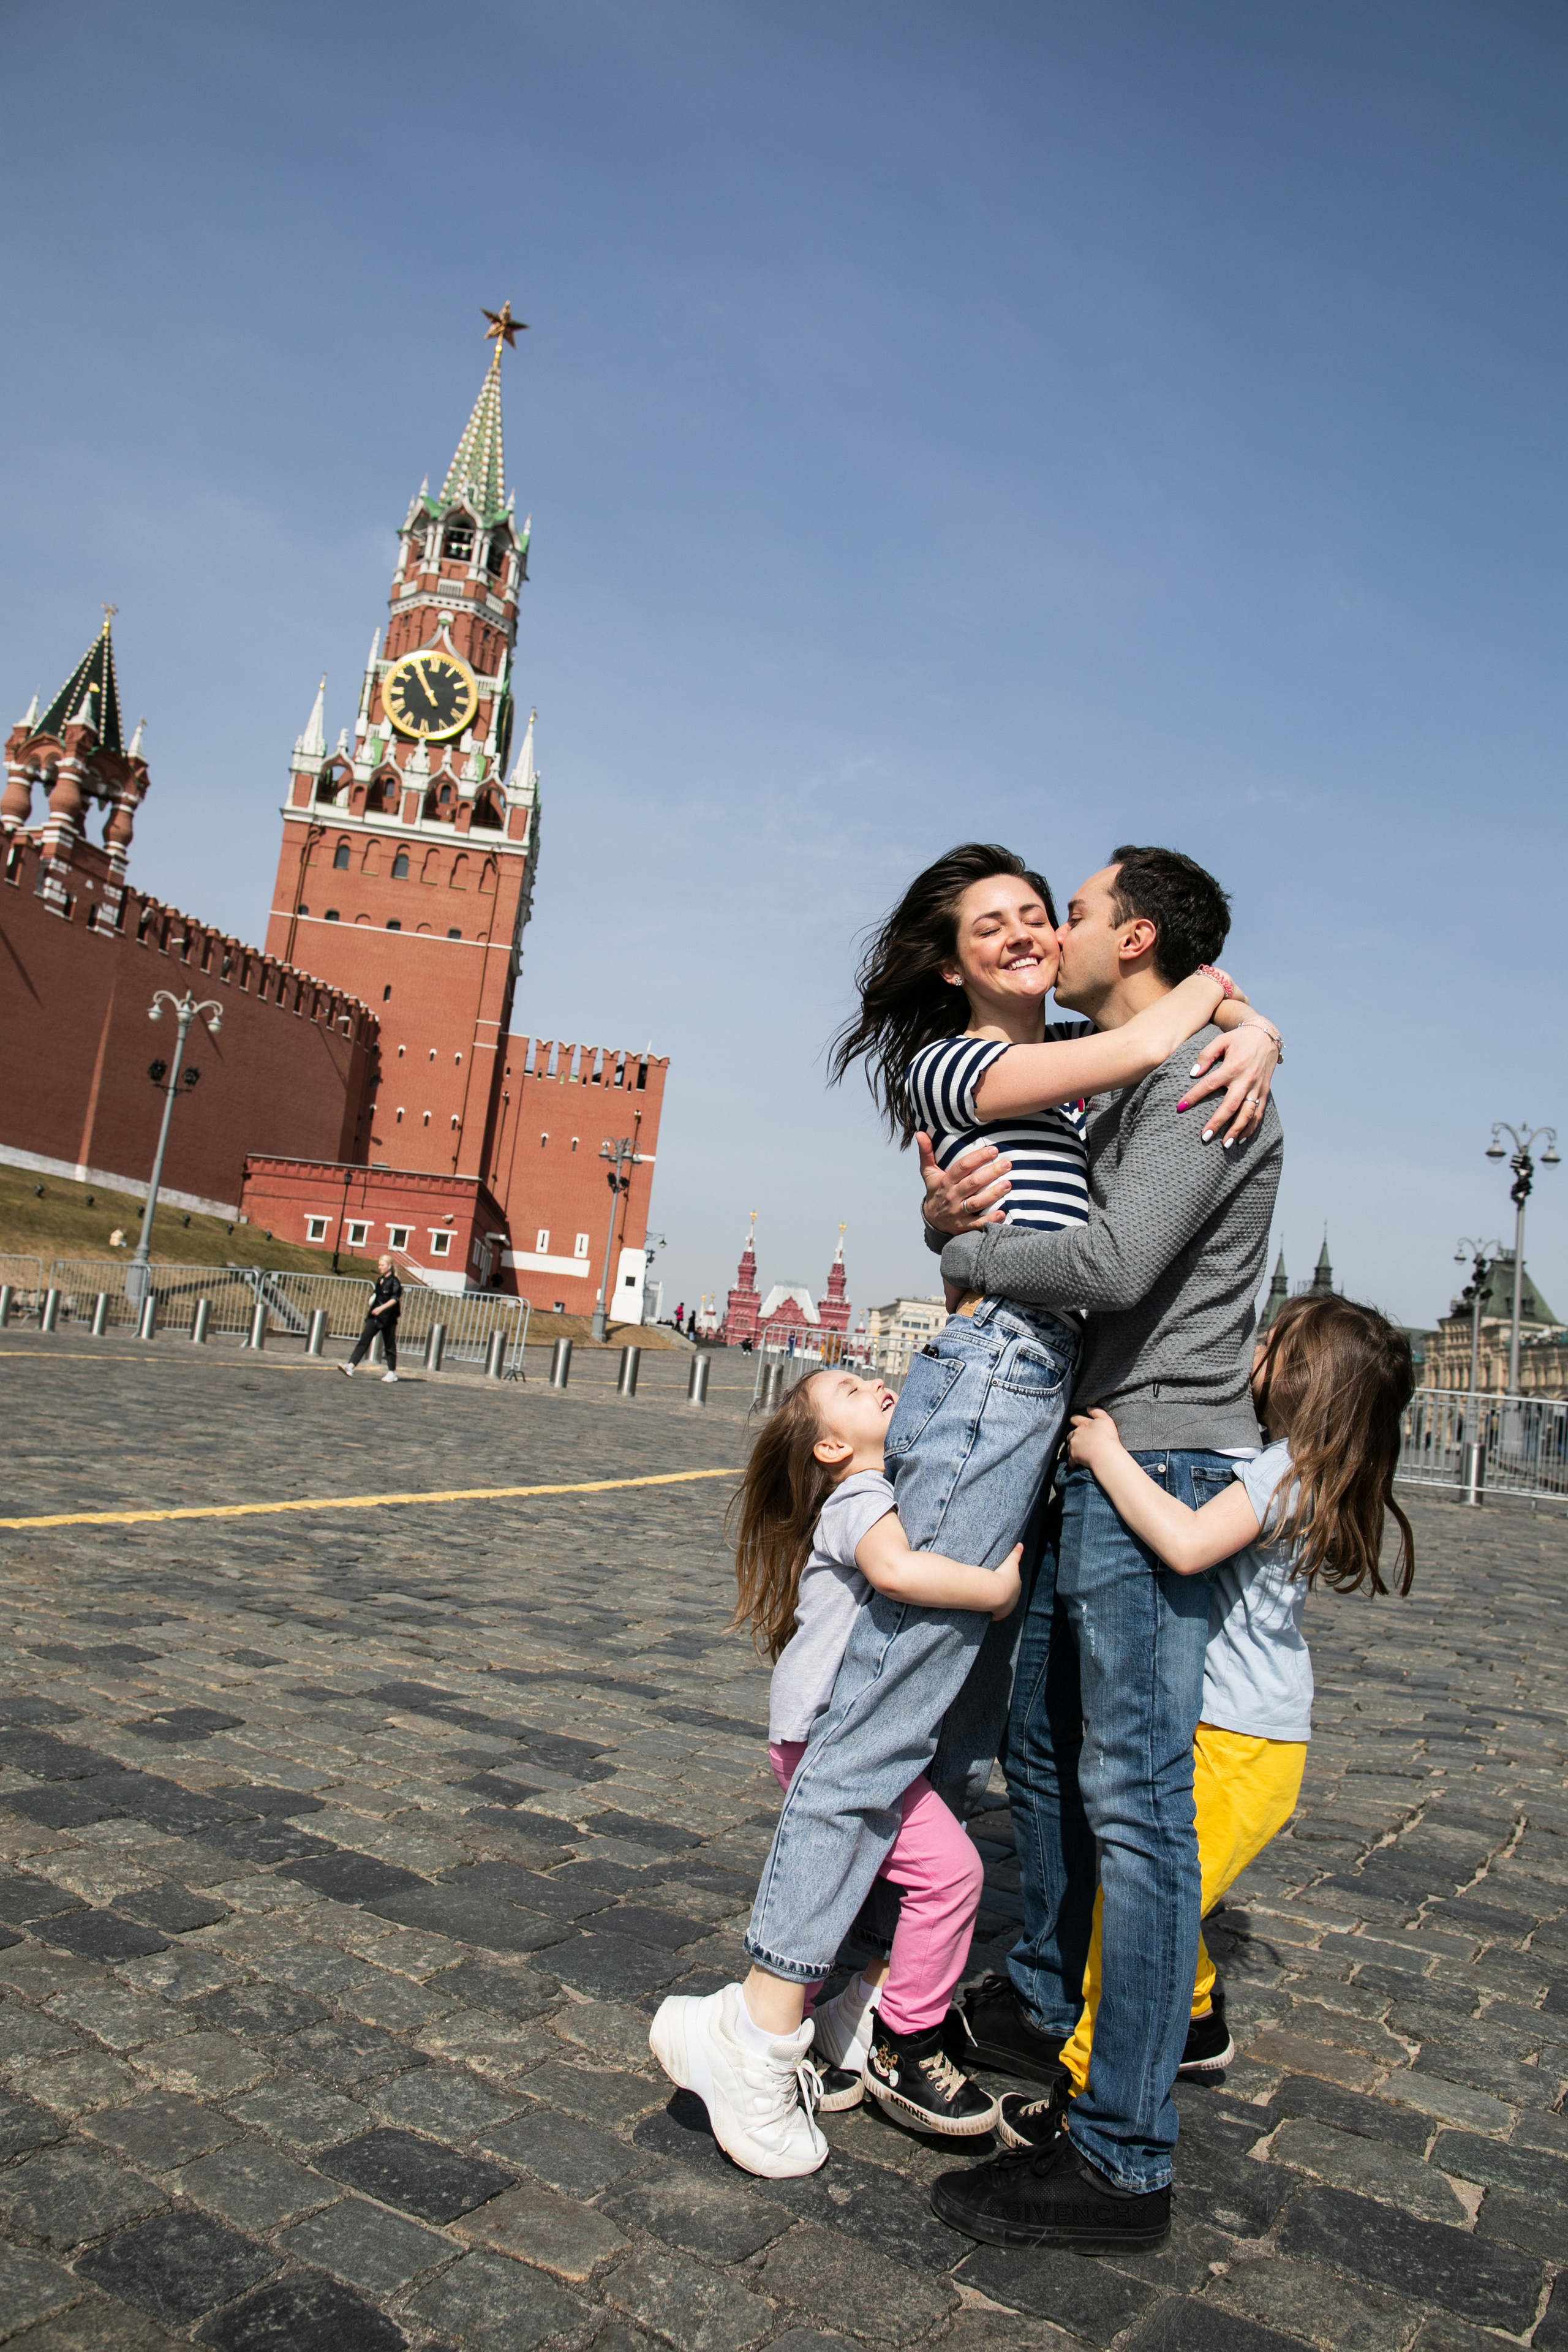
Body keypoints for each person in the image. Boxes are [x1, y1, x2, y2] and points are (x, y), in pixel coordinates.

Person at [736, 846, 1281, 2115]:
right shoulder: (971, 1063)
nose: (1035, 932)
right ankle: (767, 2008)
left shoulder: (1083, 1089)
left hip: (1031, 1399)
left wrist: (1244, 1023)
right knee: (891, 1711)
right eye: (996, 923)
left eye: (1048, 912)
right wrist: (1235, 1014)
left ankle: (873, 1978)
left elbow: (1126, 1085)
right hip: (996, 1384)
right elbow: (1123, 1089)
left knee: (964, 1730)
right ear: (945, 960)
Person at [918, 844, 1284, 2253]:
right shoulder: (1141, 1050)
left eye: (1070, 911)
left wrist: (963, 1265)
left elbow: (1112, 1266)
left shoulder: (1198, 1082)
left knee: (1134, 1804)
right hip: (1095, 1448)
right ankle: (1042, 1994)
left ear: (1128, 933)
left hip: (1160, 1451)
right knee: (1051, 1753)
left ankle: (1122, 2155)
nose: (1050, 932)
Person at [978, 1292, 1415, 2176]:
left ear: (1299, 1378)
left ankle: (1080, 2091)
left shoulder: (1279, 1471)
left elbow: (1182, 1543)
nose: (1252, 1352)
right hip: (1254, 1745)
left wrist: (1106, 1454)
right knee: (1169, 1891)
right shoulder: (1302, 1466)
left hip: (1238, 1746)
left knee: (1133, 1913)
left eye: (1271, 1343)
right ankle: (1199, 2019)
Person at [648, 1366, 1025, 2177]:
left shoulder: (868, 1486)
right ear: (829, 1444)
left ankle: (836, 2014)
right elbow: (895, 1573)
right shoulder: (859, 1497)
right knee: (951, 1874)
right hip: (832, 1735)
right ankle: (897, 2032)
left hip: (826, 1730)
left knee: (854, 1878)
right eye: (854, 1390)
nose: (880, 1385)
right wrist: (995, 1590)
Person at [342, 1255, 403, 1382]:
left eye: (382, 1265)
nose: (380, 1267)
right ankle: (351, 1366)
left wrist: (381, 1309)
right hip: (374, 1316)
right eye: (379, 1265)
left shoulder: (395, 1282)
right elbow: (377, 1295)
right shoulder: (380, 1280)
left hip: (388, 1318)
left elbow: (394, 1299)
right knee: (364, 1340)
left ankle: (392, 1372)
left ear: (389, 1266)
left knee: (389, 1345)